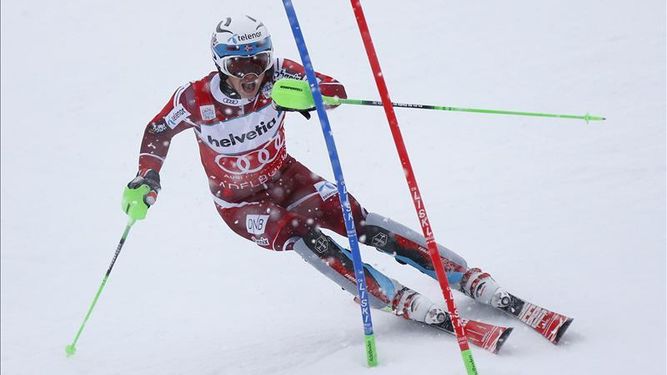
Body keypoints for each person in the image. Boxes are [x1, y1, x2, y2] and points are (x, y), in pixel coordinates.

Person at [123, 15, 514, 327]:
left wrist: (313, 94)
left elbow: (336, 90)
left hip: (286, 178)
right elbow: (158, 129)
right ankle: (390, 295)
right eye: (238, 64)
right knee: (304, 236)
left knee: (360, 222)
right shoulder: (196, 98)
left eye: (257, 61)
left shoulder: (278, 74)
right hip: (240, 203)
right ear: (220, 64)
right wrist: (148, 174)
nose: (250, 74)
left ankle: (462, 275)